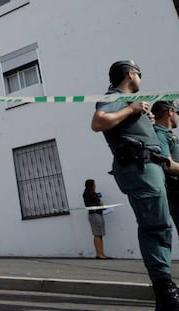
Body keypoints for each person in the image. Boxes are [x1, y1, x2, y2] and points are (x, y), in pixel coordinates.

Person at [91, 60, 179, 310]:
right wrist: (131, 110)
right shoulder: (115, 96)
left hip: (148, 167)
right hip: (140, 167)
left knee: (159, 226)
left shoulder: (126, 100)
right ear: (131, 74)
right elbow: (98, 122)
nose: (141, 79)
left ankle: (165, 290)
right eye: (139, 74)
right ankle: (165, 290)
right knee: (156, 226)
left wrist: (141, 116)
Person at [152, 100, 179, 234]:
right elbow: (167, 165)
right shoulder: (160, 134)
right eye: (177, 113)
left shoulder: (167, 134)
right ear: (170, 112)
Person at [83, 179, 110, 259]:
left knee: (100, 234)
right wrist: (98, 203)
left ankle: (102, 253)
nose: (95, 186)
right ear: (90, 185)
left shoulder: (94, 193)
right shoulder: (86, 194)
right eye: (94, 185)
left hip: (99, 213)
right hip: (94, 215)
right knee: (97, 234)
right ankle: (99, 254)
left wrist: (101, 205)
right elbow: (88, 205)